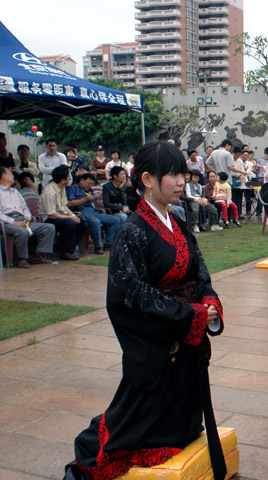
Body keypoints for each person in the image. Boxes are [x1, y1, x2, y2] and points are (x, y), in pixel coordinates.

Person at [64, 141, 227, 480]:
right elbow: (128, 294)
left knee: (182, 417)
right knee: (133, 423)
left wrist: (209, 302)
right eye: (173, 174)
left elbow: (200, 274)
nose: (181, 182)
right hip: (159, 343)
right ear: (148, 179)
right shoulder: (132, 231)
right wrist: (190, 315)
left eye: (183, 174)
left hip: (186, 340)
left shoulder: (177, 223)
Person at [0, 166, 55, 267]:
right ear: (3, 176)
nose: (13, 176)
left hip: (22, 219)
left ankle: (38, 255)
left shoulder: (15, 192)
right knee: (22, 231)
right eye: (10, 173)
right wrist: (13, 222)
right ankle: (21, 258)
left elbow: (25, 208)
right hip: (6, 222)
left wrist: (27, 219)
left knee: (49, 227)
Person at [38, 165, 89, 261]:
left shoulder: (61, 188)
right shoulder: (49, 192)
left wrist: (73, 216)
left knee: (83, 224)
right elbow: (52, 214)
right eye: (68, 176)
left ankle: (67, 246)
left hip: (60, 215)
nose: (70, 178)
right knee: (70, 223)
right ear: (62, 180)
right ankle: (66, 252)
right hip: (48, 219)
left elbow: (64, 206)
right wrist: (70, 218)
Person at [67, 173, 121, 254]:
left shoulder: (90, 190)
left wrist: (96, 201)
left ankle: (109, 243)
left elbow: (94, 204)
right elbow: (70, 203)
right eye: (88, 183)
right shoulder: (73, 188)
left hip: (93, 210)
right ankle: (98, 246)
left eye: (92, 184)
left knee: (115, 220)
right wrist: (85, 199)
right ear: (82, 180)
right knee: (95, 221)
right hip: (80, 211)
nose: (90, 186)